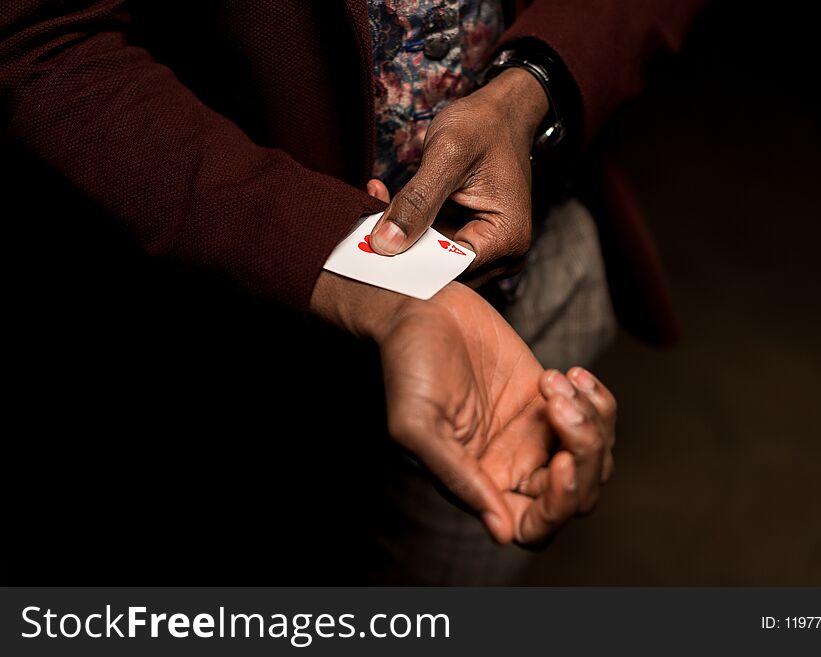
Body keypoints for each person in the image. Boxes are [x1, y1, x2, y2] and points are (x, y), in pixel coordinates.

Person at [0, 1, 702, 584]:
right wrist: (340, 257)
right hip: (222, 336)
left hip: (532, 295)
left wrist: (536, 83)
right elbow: (42, 40)